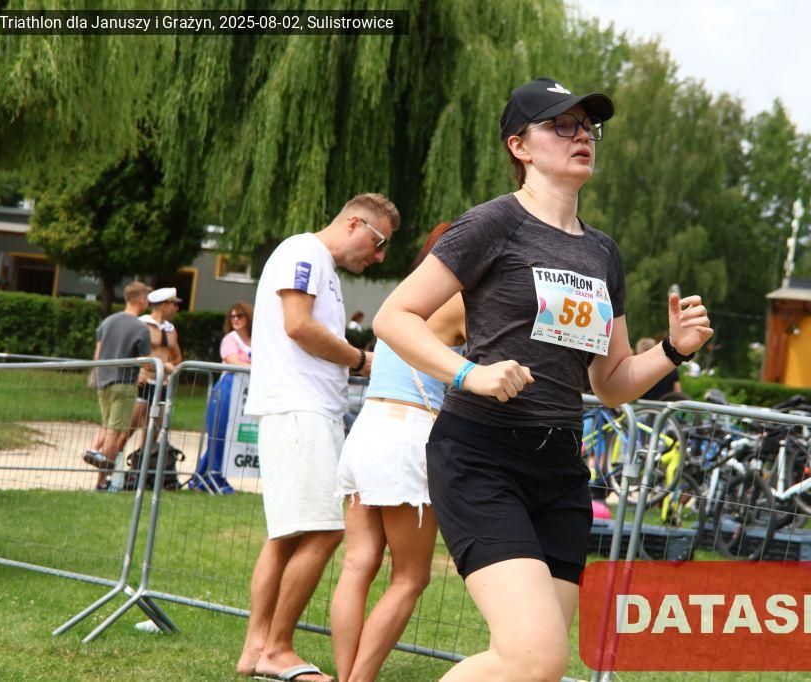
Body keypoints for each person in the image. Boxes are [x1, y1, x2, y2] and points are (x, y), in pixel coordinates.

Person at [374, 78, 713, 680]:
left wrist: (672, 350)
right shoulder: (492, 223)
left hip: (560, 469)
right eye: (561, 124)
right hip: (481, 457)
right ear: (520, 146)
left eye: (587, 126)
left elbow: (610, 382)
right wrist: (470, 374)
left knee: (538, 671)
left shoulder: (603, 253)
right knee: (535, 658)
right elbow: (393, 317)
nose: (582, 135)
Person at [237, 192, 399, 682]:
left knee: (287, 535)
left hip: (302, 410)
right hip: (300, 409)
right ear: (354, 224)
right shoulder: (303, 252)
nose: (380, 257)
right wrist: (360, 359)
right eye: (379, 243)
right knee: (325, 530)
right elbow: (298, 325)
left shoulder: (317, 263)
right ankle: (277, 649)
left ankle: (257, 648)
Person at [330, 223, 465, 682]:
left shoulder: (404, 298)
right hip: (407, 434)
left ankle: (347, 676)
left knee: (357, 564)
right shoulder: (457, 303)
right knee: (410, 576)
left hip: (367, 428)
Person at [82, 281, 152, 491]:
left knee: (107, 426)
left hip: (103, 381)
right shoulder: (141, 328)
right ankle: (102, 481)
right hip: (125, 383)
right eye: (146, 298)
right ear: (141, 300)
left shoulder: (108, 322)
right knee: (115, 433)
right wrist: (155, 368)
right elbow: (146, 362)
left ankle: (93, 449)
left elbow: (98, 354)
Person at [190, 301, 253, 494]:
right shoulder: (230, 339)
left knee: (230, 435)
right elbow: (234, 362)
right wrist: (257, 367)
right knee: (218, 434)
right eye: (232, 316)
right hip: (227, 388)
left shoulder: (256, 339)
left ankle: (200, 479)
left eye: (240, 315)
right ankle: (214, 477)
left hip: (245, 391)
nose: (235, 319)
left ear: (249, 317)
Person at [126, 287, 183, 455]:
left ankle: (139, 468)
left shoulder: (170, 330)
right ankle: (112, 468)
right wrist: (138, 371)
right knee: (126, 431)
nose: (177, 308)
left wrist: (169, 371)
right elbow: (128, 352)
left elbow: (177, 357)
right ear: (164, 305)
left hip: (161, 386)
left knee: (151, 436)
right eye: (174, 304)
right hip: (142, 384)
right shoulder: (142, 324)